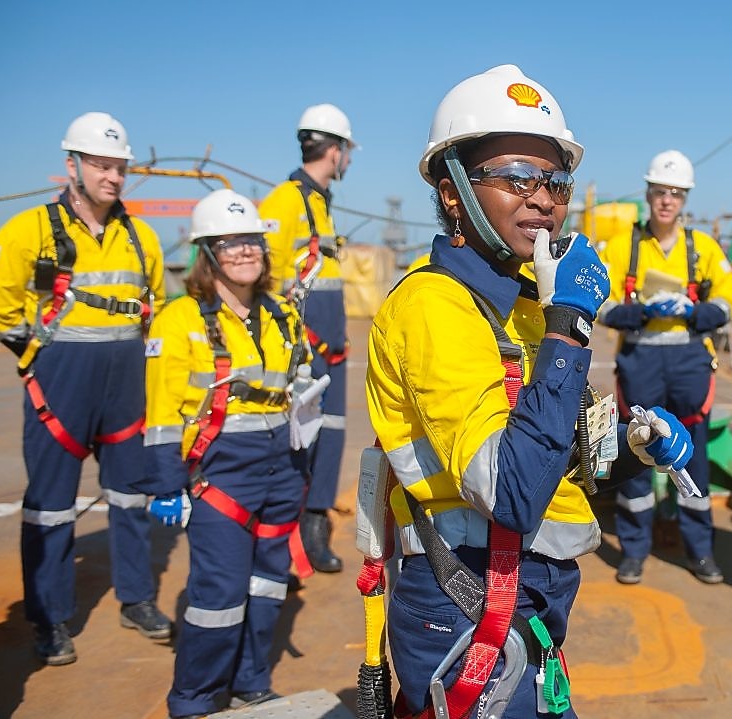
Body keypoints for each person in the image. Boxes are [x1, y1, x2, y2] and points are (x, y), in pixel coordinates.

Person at [366, 64, 691, 718]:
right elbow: (509, 491)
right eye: (517, 176)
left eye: (556, 180)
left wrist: (631, 449)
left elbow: (556, 457)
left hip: (525, 599)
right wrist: (571, 326)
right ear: (452, 189)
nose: (543, 197)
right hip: (461, 599)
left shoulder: (522, 308)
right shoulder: (434, 306)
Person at [0, 112, 170, 666]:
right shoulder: (29, 230)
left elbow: (152, 310)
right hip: (59, 386)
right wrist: (36, 355)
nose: (112, 176)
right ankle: (50, 617)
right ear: (73, 165)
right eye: (101, 165)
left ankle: (137, 599)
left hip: (124, 390)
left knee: (131, 500)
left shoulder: (142, 238)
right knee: (50, 509)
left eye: (119, 167)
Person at [146, 189, 311, 718]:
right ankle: (194, 699)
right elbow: (161, 412)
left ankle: (250, 681)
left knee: (267, 586)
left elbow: (302, 384)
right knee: (218, 593)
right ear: (207, 253)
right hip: (220, 473)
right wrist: (167, 483)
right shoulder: (179, 320)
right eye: (230, 242)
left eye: (252, 242)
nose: (245, 252)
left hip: (281, 467)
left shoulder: (282, 314)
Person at [597, 149, 732, 585]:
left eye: (675, 194)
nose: (666, 201)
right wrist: (640, 310)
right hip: (640, 361)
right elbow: (602, 304)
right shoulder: (625, 248)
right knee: (636, 449)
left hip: (689, 363)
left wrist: (692, 311)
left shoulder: (703, 249)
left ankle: (700, 552)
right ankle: (634, 550)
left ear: (685, 199)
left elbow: (727, 303)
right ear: (648, 194)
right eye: (660, 192)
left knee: (690, 453)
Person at [258, 103, 355, 573]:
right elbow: (264, 280)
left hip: (331, 349)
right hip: (302, 349)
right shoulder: (284, 202)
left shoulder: (319, 203)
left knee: (331, 436)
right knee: (300, 440)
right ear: (334, 151)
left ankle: (313, 527)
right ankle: (290, 536)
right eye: (348, 151)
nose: (350, 160)